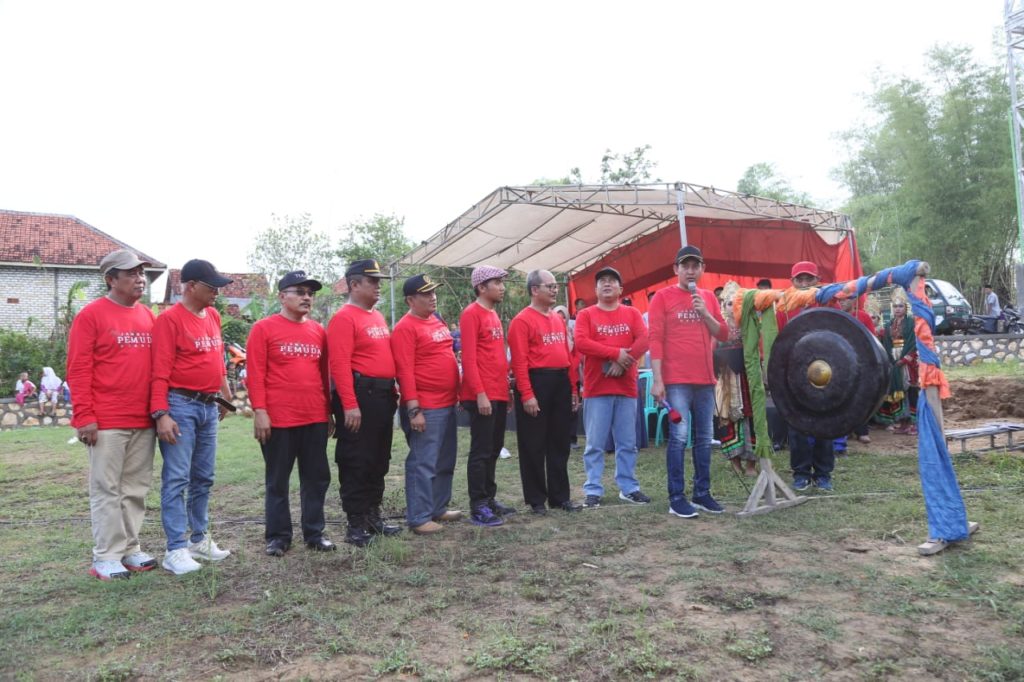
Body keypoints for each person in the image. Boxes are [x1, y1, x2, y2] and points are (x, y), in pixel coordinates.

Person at [67, 249, 157, 581]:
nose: (139, 279)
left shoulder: (148, 316)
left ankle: (130, 550)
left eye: (141, 273)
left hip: (143, 419)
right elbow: (78, 369)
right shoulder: (91, 316)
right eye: (130, 273)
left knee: (135, 487)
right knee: (107, 488)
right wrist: (84, 417)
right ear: (111, 279)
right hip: (105, 421)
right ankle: (106, 556)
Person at [150, 258, 235, 575]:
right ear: (190, 286)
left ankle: (198, 540)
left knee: (204, 476)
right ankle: (175, 548)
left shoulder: (212, 315)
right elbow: (158, 371)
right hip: (180, 405)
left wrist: (225, 396)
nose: (217, 292)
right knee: (177, 478)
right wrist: (162, 414)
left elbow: (218, 359)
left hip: (208, 406)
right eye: (212, 286)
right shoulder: (169, 320)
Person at [247, 271, 335, 557]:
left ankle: (314, 532)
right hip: (278, 420)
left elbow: (324, 376)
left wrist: (328, 413)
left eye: (310, 293)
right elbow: (256, 375)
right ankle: (278, 537)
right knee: (277, 480)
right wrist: (260, 411)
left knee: (316, 478)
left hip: (314, 418)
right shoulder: (263, 329)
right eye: (299, 291)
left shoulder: (318, 331)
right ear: (282, 295)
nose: (306, 297)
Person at [649, 245, 730, 518]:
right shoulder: (662, 297)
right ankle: (676, 497)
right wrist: (657, 380)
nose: (691, 270)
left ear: (703, 269)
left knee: (705, 438)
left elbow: (725, 333)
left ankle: (702, 493)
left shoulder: (707, 297)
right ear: (676, 270)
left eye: (696, 266)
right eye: (686, 266)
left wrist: (705, 312)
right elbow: (655, 340)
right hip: (676, 380)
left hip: (705, 379)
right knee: (679, 437)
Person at [326, 259, 403, 547]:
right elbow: (339, 365)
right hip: (360, 396)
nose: (378, 286)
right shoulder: (344, 318)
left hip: (382, 396)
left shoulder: (377, 316)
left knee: (379, 459)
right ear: (354, 284)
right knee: (357, 459)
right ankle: (355, 523)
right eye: (372, 281)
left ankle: (373, 515)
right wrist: (349, 404)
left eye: (379, 281)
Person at [391, 274, 463, 535]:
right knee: (423, 462)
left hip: (447, 403)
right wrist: (414, 409)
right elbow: (405, 372)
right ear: (411, 299)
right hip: (426, 407)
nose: (432, 297)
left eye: (433, 292)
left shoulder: (436, 319)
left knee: (445, 460)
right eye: (426, 294)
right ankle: (419, 518)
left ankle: (438, 507)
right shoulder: (405, 328)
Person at [573, 266, 650, 508]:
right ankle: (593, 490)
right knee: (595, 444)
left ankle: (628, 488)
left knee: (627, 443)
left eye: (612, 281)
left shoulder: (632, 313)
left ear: (621, 288)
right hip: (597, 388)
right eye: (602, 281)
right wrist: (616, 353)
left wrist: (623, 363)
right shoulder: (586, 315)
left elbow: (645, 339)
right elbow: (582, 342)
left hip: (626, 387)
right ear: (595, 289)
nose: (607, 284)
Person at [508, 269, 582, 514]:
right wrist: (527, 394)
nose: (554, 289)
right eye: (549, 286)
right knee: (533, 443)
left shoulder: (557, 319)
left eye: (555, 286)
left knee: (559, 442)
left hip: (560, 381)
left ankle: (560, 497)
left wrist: (572, 388)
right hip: (536, 382)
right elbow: (519, 362)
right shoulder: (522, 321)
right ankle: (536, 499)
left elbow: (567, 357)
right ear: (534, 290)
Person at [459, 265, 516, 527]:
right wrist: (481, 394)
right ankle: (478, 505)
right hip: (481, 394)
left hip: (497, 392)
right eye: (498, 282)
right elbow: (469, 359)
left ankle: (489, 498)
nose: (502, 287)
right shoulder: (472, 314)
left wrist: (505, 389)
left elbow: (495, 358)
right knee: (481, 451)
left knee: (493, 449)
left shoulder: (493, 314)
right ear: (482, 287)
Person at [777, 260, 835, 492]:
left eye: (808, 279)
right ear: (792, 282)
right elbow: (779, 343)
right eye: (799, 279)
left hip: (827, 371)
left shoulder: (829, 303)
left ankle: (823, 474)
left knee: (826, 423)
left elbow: (840, 335)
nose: (803, 283)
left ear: (817, 281)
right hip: (795, 372)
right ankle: (801, 473)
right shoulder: (783, 308)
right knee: (797, 425)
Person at [877, 292, 919, 436]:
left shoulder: (911, 322)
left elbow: (914, 342)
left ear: (906, 307)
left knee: (910, 390)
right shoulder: (889, 324)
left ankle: (914, 423)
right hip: (893, 359)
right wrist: (891, 359)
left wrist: (905, 358)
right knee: (897, 391)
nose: (897, 309)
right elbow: (886, 343)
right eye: (895, 306)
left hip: (908, 361)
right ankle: (902, 422)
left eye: (900, 306)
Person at [838, 296, 876, 444]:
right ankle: (844, 431)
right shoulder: (835, 315)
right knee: (842, 397)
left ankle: (862, 431)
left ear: (854, 301)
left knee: (860, 397)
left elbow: (872, 337)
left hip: (861, 361)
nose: (842, 302)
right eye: (840, 300)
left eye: (846, 299)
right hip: (841, 362)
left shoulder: (863, 316)